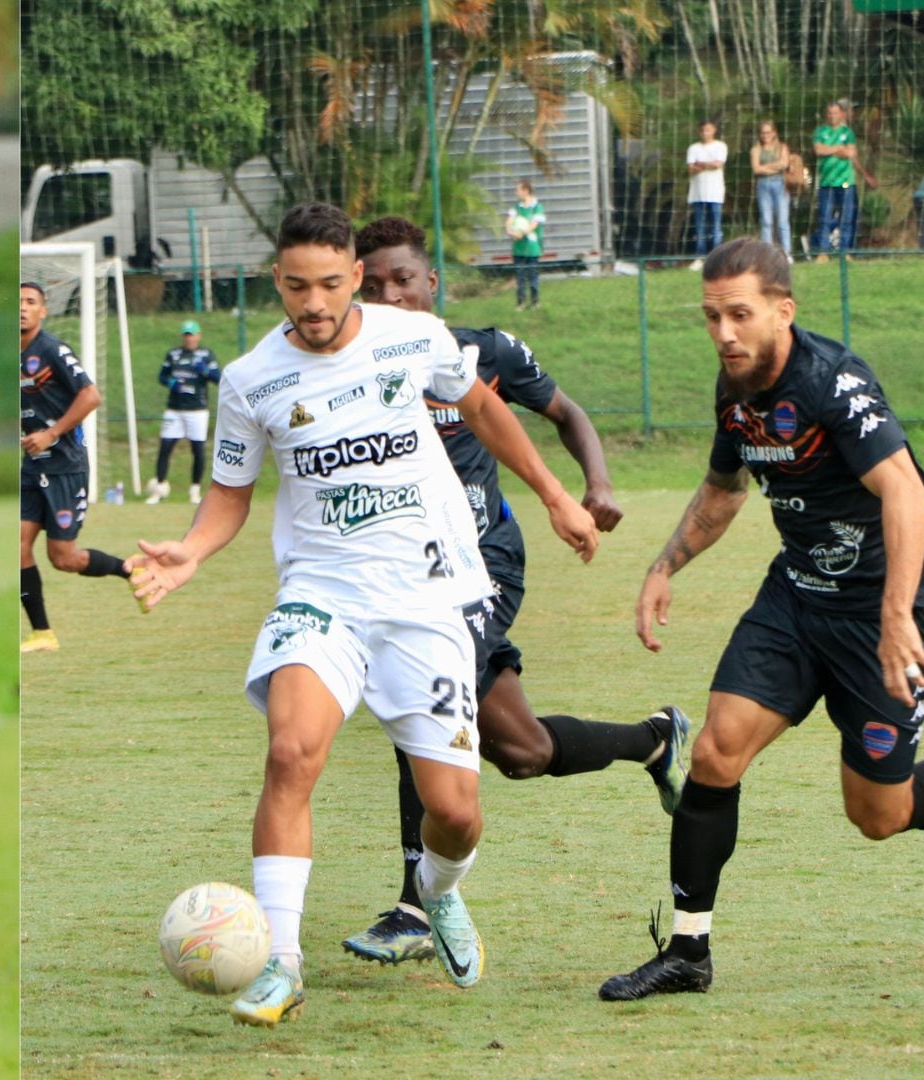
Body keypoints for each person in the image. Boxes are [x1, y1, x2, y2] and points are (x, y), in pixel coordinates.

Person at [126, 203, 599, 1025]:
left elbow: (486, 409)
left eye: (331, 285)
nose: (313, 303)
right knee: (290, 752)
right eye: (297, 286)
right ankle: (282, 960)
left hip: (426, 597)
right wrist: (193, 551)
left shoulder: (412, 337)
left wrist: (557, 494)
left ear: (355, 277)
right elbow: (230, 496)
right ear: (277, 279)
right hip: (323, 594)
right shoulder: (248, 382)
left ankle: (437, 893)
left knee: (455, 811)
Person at [600, 237, 924, 1000]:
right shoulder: (733, 388)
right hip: (795, 601)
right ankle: (688, 952)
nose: (724, 333)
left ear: (784, 309)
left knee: (878, 814)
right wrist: (662, 568)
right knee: (714, 753)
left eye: (739, 314)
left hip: (879, 617)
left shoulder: (833, 384)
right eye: (711, 317)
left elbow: (905, 492)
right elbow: (724, 490)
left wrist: (897, 616)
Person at [341, 215, 683, 967]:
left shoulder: (482, 353)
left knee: (426, 692)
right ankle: (656, 741)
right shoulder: (347, 369)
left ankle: (415, 906)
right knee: (521, 752)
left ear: (433, 282)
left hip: (485, 564)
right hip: (406, 573)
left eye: (403, 278)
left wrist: (594, 486)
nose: (391, 293)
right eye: (373, 285)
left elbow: (565, 413)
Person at [21, 281, 131, 653]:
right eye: (17, 301)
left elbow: (91, 395)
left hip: (65, 467)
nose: (21, 307)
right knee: (17, 546)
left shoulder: (51, 349)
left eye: (30, 301)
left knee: (63, 558)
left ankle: (131, 570)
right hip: (32, 466)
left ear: (43, 311)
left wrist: (51, 433)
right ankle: (42, 634)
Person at [146, 319, 221, 505]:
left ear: (198, 336)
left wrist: (205, 371)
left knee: (198, 449)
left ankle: (195, 491)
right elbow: (162, 376)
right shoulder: (174, 354)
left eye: (192, 335)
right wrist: (171, 383)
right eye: (186, 335)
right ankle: (159, 488)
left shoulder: (206, 354)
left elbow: (219, 378)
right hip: (174, 409)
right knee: (165, 447)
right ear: (183, 337)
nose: (189, 339)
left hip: (197, 410)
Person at [811, 100, 859, 260]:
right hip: (826, 182)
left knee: (846, 217)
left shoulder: (848, 132)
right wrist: (839, 149)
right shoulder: (820, 131)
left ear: (841, 114)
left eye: (835, 113)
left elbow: (851, 153)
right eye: (830, 113)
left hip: (845, 182)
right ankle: (823, 253)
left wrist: (829, 150)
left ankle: (844, 252)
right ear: (827, 115)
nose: (832, 116)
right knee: (824, 217)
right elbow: (818, 150)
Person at [686, 120, 729, 269]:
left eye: (709, 130)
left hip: (715, 193)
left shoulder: (720, 146)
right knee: (700, 227)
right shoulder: (693, 148)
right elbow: (691, 168)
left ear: (714, 130)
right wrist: (708, 165)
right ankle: (700, 257)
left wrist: (701, 164)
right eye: (703, 130)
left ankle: (717, 258)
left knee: (716, 227)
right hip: (697, 194)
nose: (706, 133)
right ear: (700, 132)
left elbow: (718, 165)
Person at [751, 121, 792, 257]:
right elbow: (756, 169)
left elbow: (784, 164)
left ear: (774, 133)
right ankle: (766, 254)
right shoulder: (756, 149)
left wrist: (766, 168)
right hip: (763, 185)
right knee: (766, 221)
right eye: (763, 133)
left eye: (768, 132)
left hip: (780, 183)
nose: (765, 135)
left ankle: (787, 253)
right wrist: (775, 166)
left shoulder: (782, 147)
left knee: (782, 220)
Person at [507, 179, 546, 310]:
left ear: (525, 190)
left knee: (533, 277)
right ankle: (521, 303)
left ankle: (535, 302)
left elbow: (533, 225)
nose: (515, 192)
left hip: (532, 249)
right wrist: (510, 230)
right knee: (520, 277)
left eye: (518, 190)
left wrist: (521, 233)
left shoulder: (537, 207)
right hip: (519, 249)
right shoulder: (516, 208)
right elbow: (509, 222)